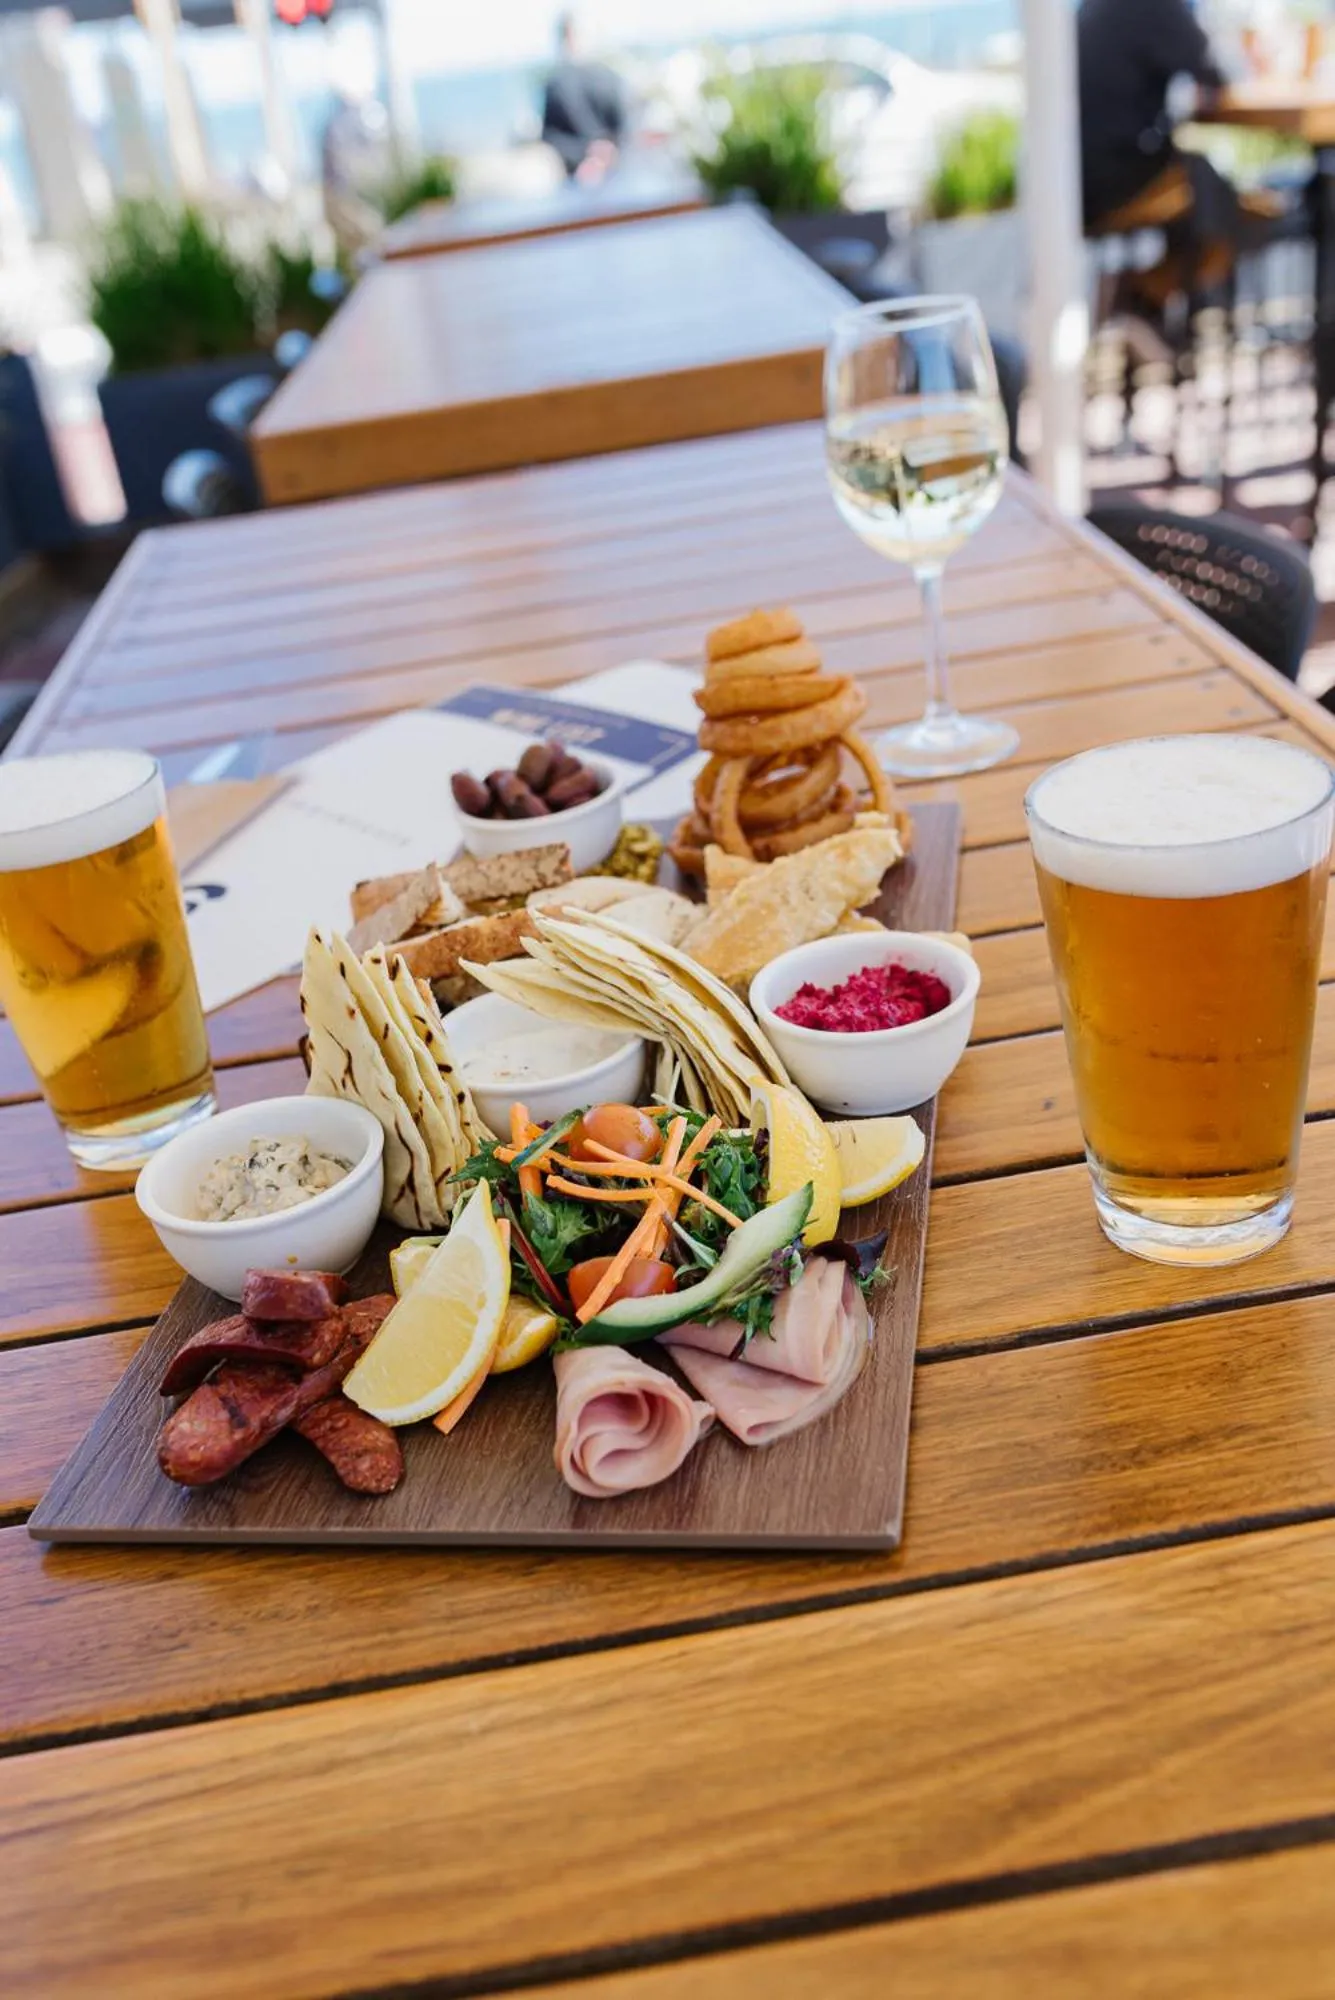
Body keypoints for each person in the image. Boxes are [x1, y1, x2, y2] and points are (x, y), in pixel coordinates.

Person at [1077, 0, 1263, 305]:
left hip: (1073, 183)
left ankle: (1144, 301)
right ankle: (1141, 299)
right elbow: (1213, 72)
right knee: (1215, 195)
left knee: (1202, 186)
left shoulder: (1094, 7)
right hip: (1114, 177)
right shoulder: (1157, 6)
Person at [540, 11, 628, 184]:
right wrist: (590, 154)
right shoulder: (555, 84)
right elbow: (550, 136)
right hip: (585, 175)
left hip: (608, 172)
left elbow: (623, 124)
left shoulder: (608, 77)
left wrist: (599, 154)